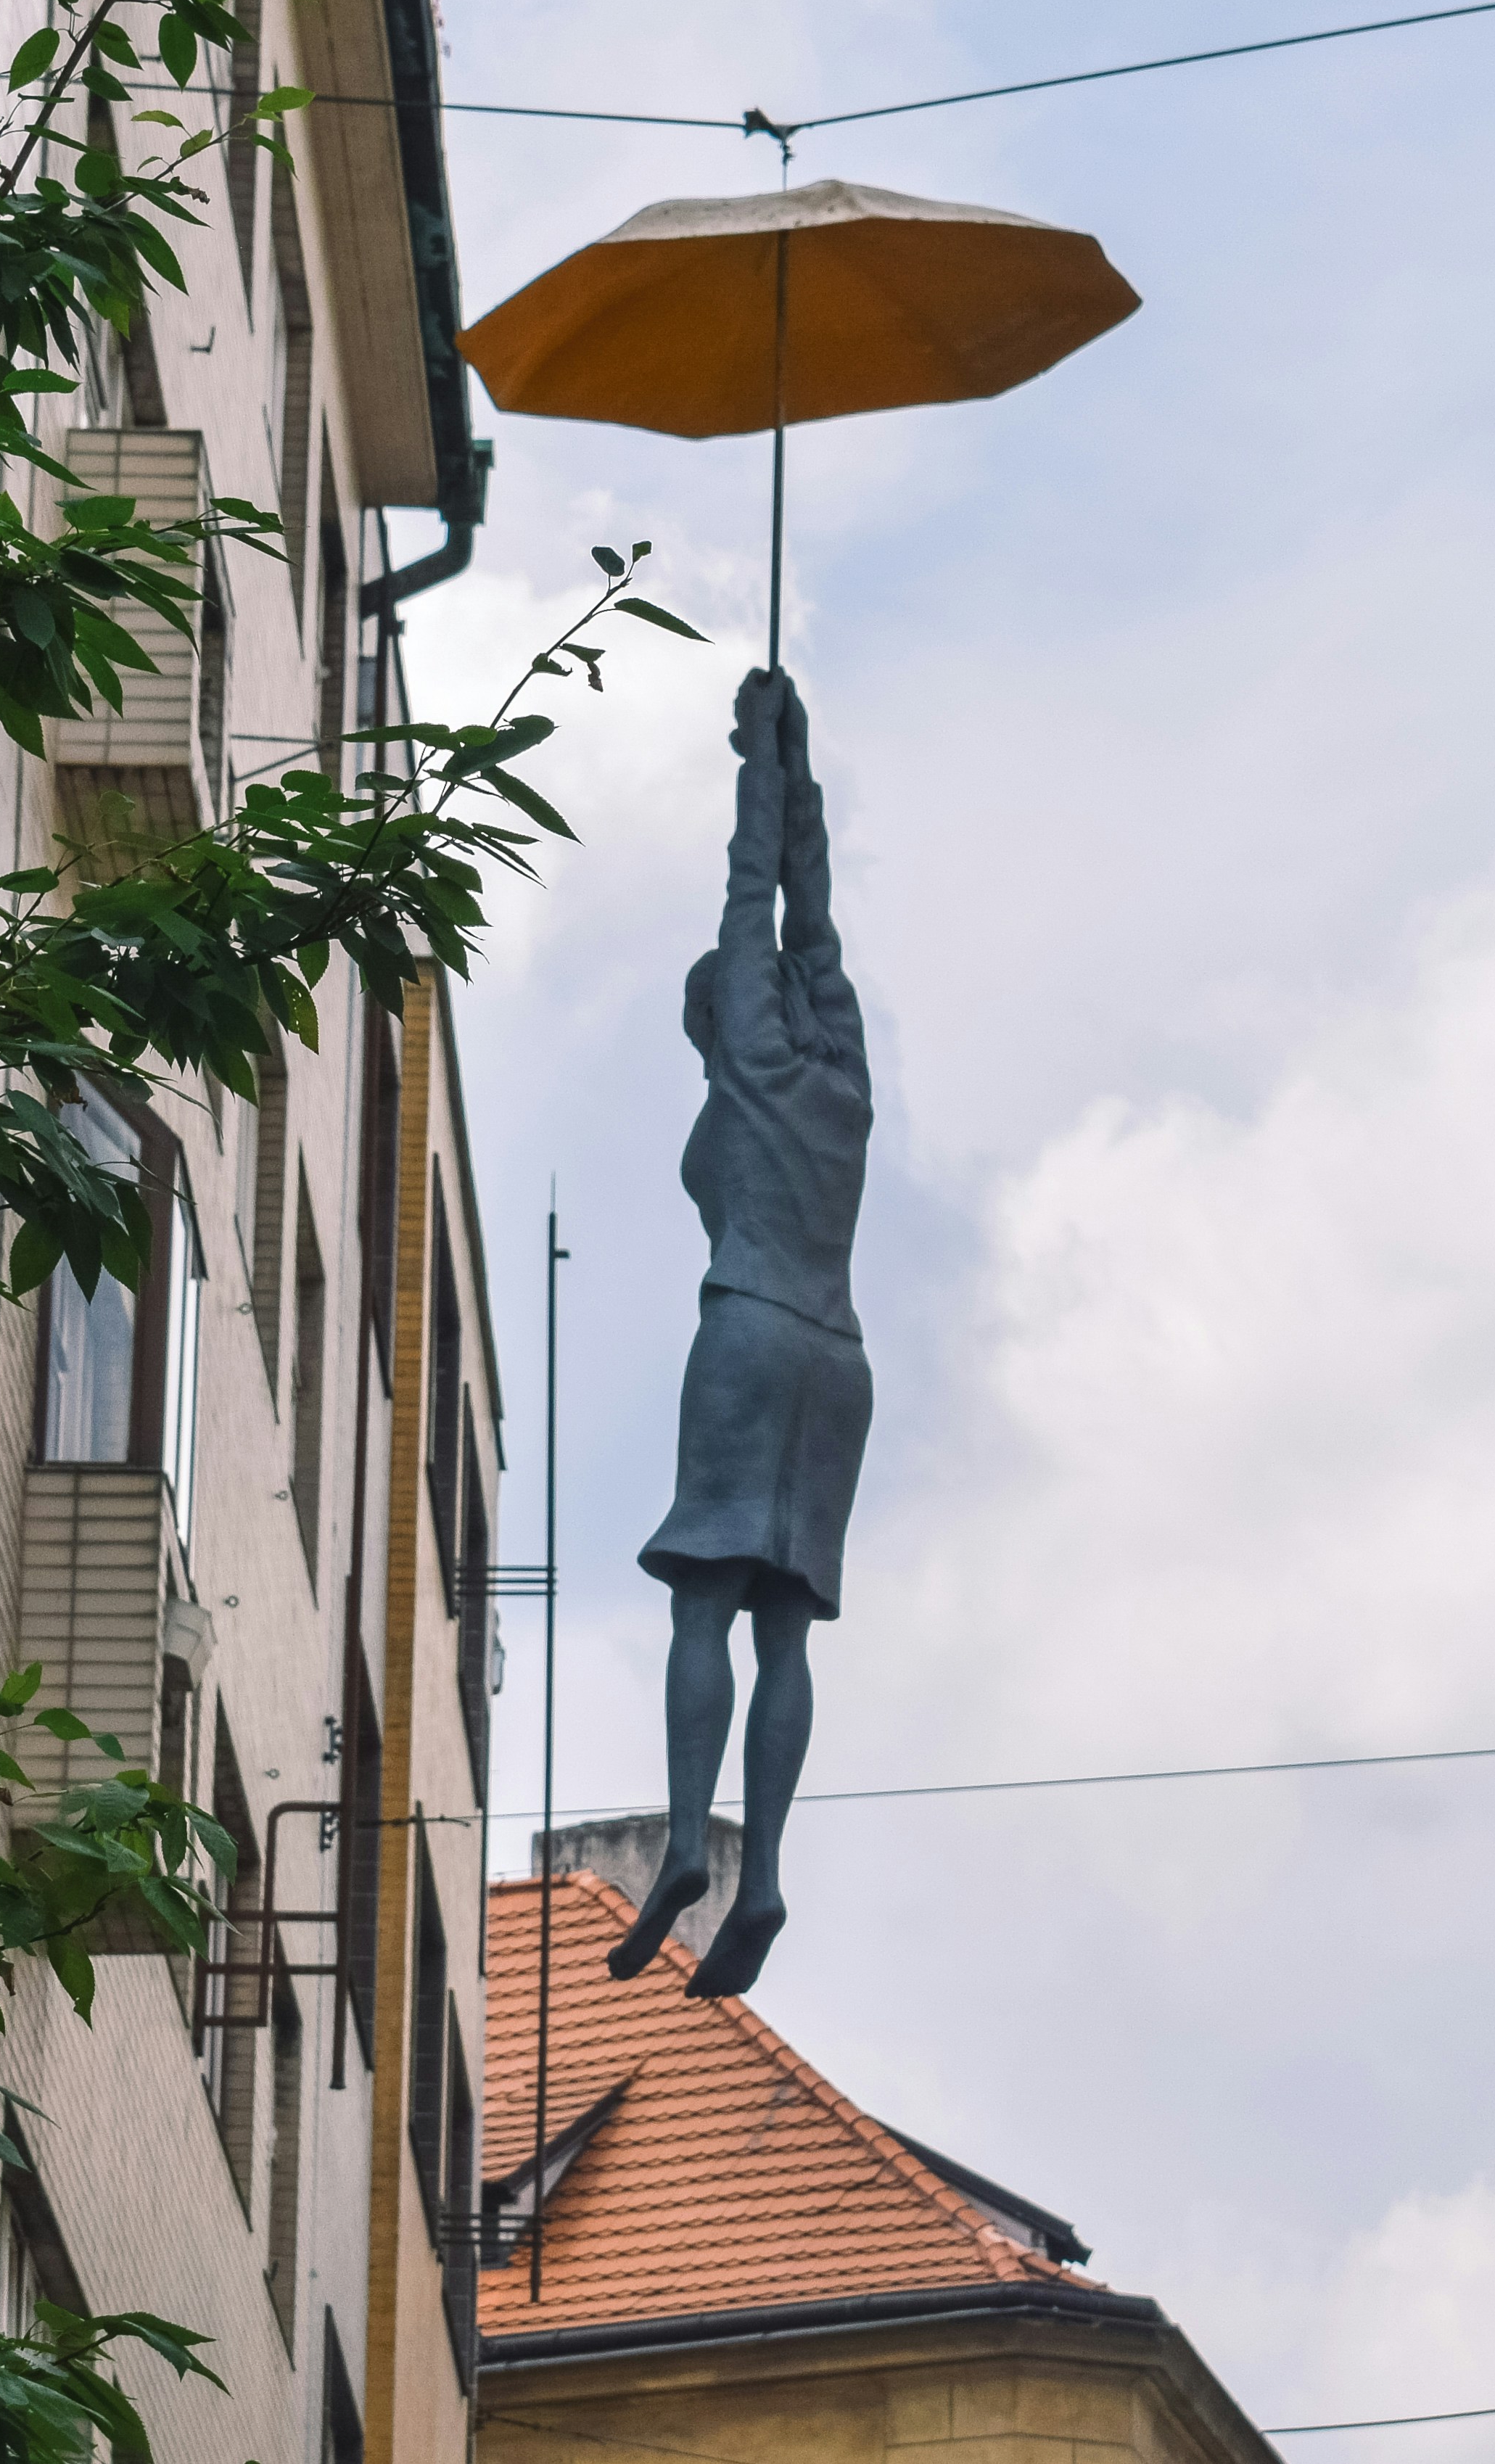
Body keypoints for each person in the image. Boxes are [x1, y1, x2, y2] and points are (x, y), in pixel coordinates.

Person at [609, 666, 872, 1997]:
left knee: (704, 1602)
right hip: (843, 1361)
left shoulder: (755, 1059)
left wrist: (757, 763)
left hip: (753, 1332)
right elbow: (813, 918)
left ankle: (684, 1839)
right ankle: (763, 1865)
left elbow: (757, 889)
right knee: (788, 1631)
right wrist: (803, 761)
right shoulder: (843, 1077)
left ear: (724, 1013)